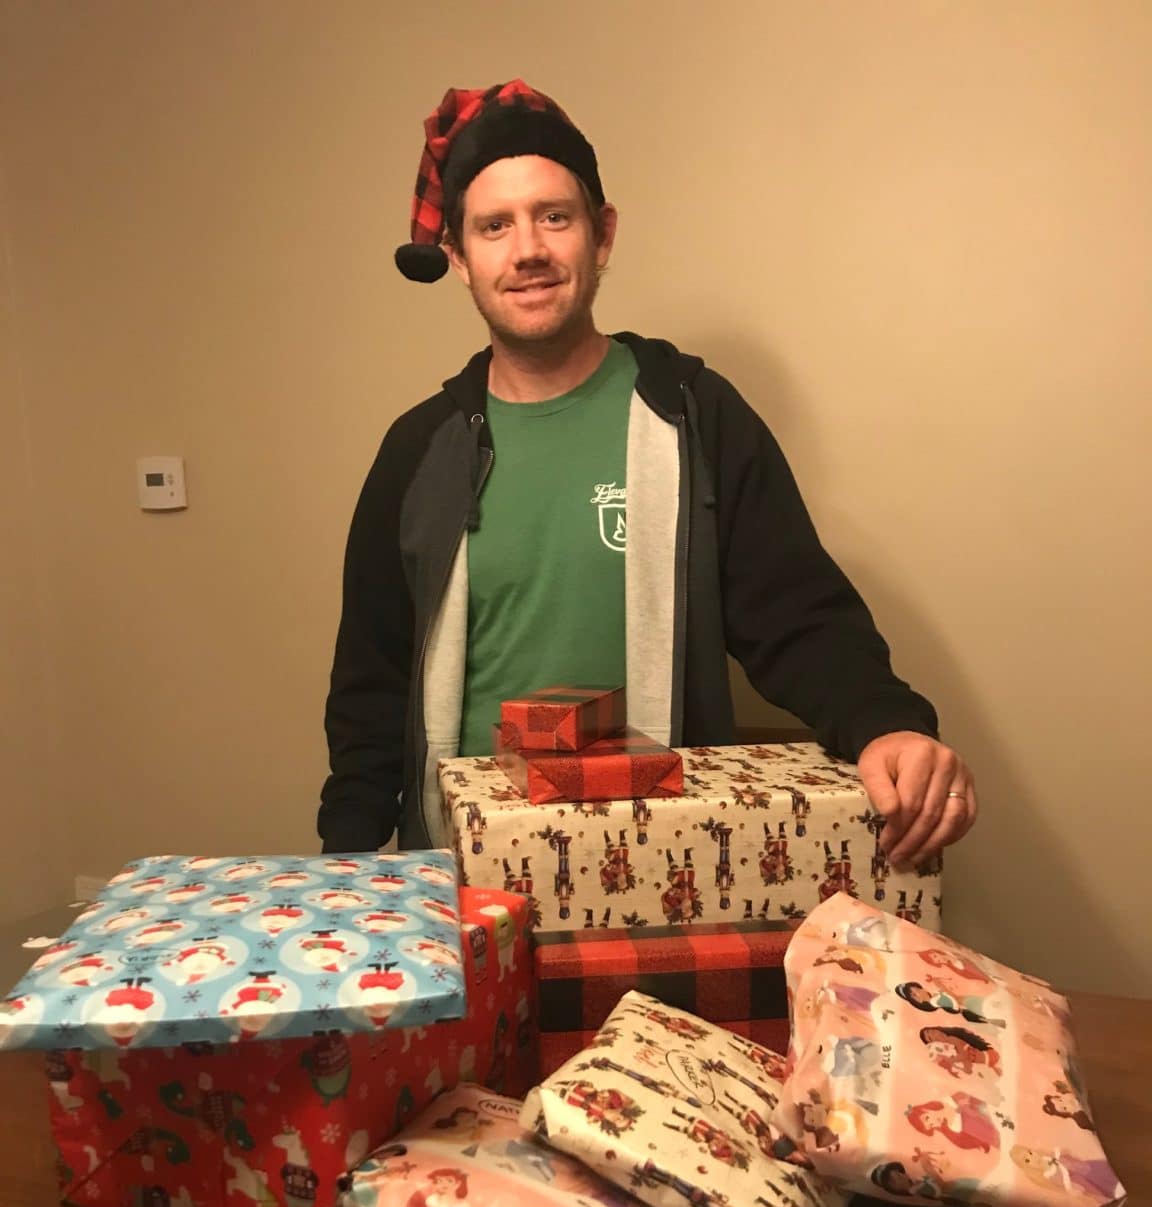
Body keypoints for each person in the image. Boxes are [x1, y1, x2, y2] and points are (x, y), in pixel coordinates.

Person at [318, 80, 977, 865]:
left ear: (601, 234)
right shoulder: (417, 451)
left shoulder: (694, 415)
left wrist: (886, 723)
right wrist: (349, 864)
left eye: (553, 217)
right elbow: (370, 690)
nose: (527, 251)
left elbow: (800, 619)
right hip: (461, 877)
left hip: (659, 868)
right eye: (495, 226)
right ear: (459, 257)